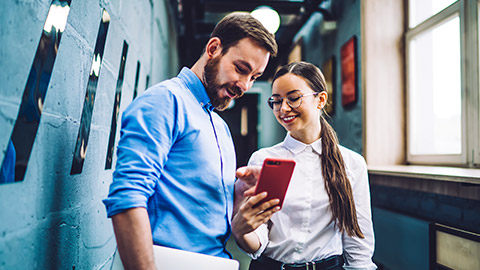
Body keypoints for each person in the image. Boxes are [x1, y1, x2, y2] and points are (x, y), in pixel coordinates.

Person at [102, 13, 278, 269]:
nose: (245, 86)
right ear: (213, 48)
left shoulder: (219, 125)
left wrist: (236, 193)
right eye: (240, 69)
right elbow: (127, 198)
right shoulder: (165, 101)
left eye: (254, 77)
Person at [232, 61, 377, 270]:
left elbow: (358, 242)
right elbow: (258, 240)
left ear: (321, 100)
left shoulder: (351, 163)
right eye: (276, 100)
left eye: (293, 98)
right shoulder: (263, 160)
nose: (283, 108)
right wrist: (242, 232)